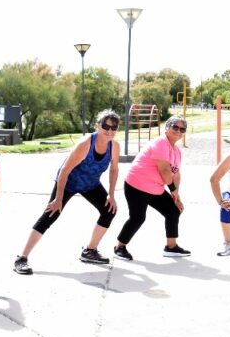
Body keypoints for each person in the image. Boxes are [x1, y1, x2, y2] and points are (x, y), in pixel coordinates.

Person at [13, 110, 122, 275]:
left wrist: (111, 194)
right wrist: (58, 198)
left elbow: (114, 169)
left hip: (90, 184)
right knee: (51, 214)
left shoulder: (114, 146)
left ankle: (89, 251)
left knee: (109, 210)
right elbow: (64, 171)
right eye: (106, 126)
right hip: (68, 183)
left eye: (114, 127)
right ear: (98, 126)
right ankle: (22, 258)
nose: (109, 130)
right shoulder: (86, 144)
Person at [114, 116, 190, 259]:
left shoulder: (176, 151)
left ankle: (171, 247)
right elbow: (164, 170)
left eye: (182, 129)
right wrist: (172, 190)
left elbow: (176, 173)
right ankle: (119, 247)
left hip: (155, 188)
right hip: (137, 185)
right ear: (167, 127)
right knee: (137, 218)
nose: (178, 131)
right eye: (175, 127)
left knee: (173, 210)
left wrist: (176, 195)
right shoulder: (161, 143)